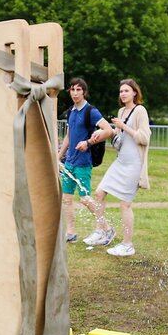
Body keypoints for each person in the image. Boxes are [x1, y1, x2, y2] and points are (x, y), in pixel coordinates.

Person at [84, 79, 151, 256]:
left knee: (125, 204)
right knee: (99, 193)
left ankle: (128, 244)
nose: (123, 94)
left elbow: (144, 138)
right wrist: (106, 133)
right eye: (121, 91)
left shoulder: (140, 110)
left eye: (126, 91)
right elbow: (119, 138)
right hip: (120, 161)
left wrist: (123, 126)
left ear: (135, 93)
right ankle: (102, 231)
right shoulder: (121, 111)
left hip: (134, 164)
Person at [57, 78, 113, 243]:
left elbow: (108, 130)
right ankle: (71, 232)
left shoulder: (91, 111)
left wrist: (88, 142)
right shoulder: (71, 112)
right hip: (69, 163)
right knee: (67, 198)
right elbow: (68, 136)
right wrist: (59, 156)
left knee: (85, 198)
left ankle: (107, 228)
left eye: (78, 90)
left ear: (84, 92)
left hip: (83, 162)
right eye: (72, 90)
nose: (75, 93)